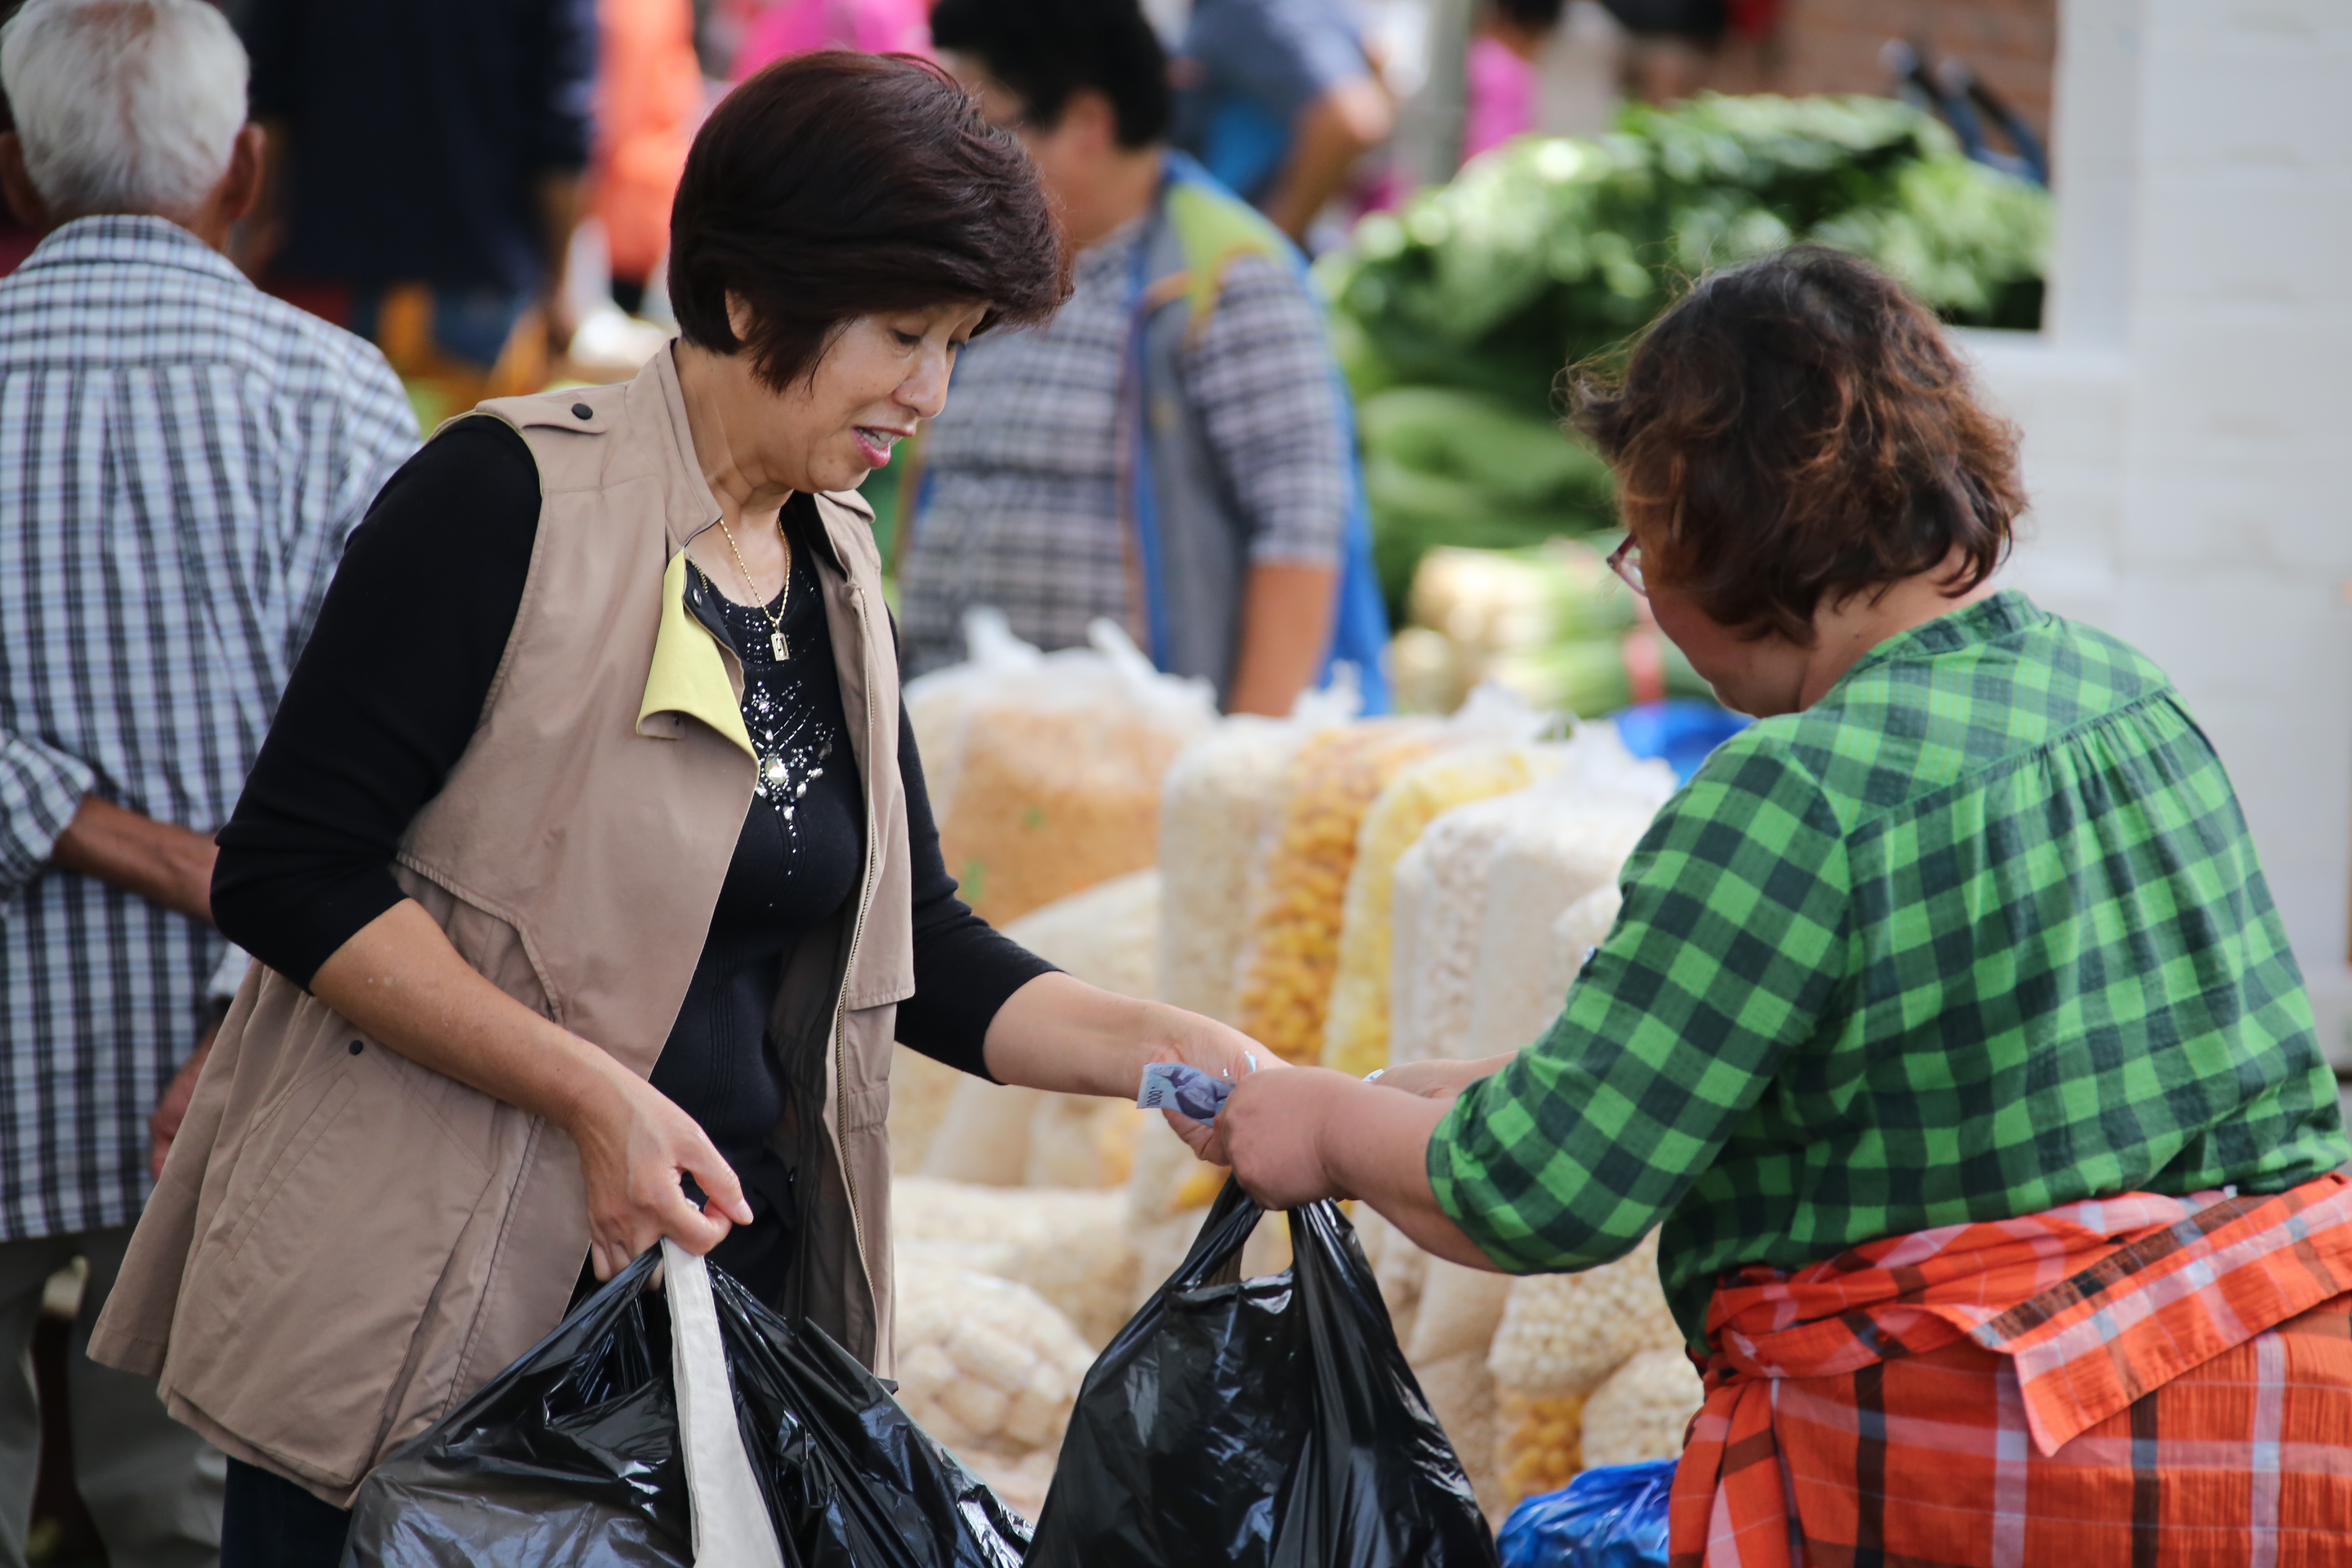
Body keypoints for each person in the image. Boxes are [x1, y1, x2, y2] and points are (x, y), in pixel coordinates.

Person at [89, 54, 1261, 1563]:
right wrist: (595, 1095)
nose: (930, 390)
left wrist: (1176, 1054)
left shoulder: (836, 554)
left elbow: (927, 951)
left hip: (707, 1305)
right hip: (432, 1311)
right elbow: (292, 874)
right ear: (757, 295)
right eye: (904, 334)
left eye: (955, 343)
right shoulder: (501, 498)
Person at [1213, 248, 2352, 1559]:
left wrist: (1319, 1121)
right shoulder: (2119, 692)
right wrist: (1456, 1094)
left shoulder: (1795, 797)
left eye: (1640, 544)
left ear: (1712, 526)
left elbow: (1534, 1195)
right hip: (2261, 1451)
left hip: (1985, 1479)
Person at [0, 3, 417, 1565]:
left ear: (17, 177)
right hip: (243, 1062)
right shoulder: (339, 394)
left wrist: (75, 820)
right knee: (195, 1508)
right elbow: (407, 763)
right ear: (245, 168)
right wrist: (246, 953)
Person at [908, 0, 1389, 716]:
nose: (962, 163)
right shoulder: (995, 266)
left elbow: (1301, 528)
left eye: (989, 131)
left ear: (1087, 125)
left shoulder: (1226, 273)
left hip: (1142, 778)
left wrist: (1236, 766)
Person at [234, 0, 597, 407]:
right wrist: (561, 280)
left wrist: (254, 233)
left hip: (325, 269)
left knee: (316, 455)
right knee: (471, 462)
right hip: (478, 277)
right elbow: (562, 134)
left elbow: (267, 103)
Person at [1168, 0, 1393, 247]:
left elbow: (1354, 118)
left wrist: (1273, 243)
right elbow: (1380, 63)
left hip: (1232, 248)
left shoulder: (1245, 9)